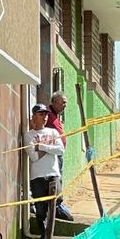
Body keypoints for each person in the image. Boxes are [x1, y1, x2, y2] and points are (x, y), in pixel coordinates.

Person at [25, 102, 66, 238]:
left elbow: (60, 150)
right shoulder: (29, 135)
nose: (45, 117)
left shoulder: (53, 132)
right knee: (40, 210)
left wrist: (42, 147)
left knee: (55, 201)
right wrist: (49, 148)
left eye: (46, 114)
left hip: (53, 174)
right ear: (34, 117)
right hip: (37, 176)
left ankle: (50, 236)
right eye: (41, 114)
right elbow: (34, 157)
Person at [44, 91, 74, 220]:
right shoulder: (48, 115)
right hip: (53, 154)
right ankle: (56, 206)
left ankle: (58, 204)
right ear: (55, 102)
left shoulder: (56, 116)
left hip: (58, 153)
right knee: (55, 179)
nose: (65, 105)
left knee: (59, 178)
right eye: (63, 102)